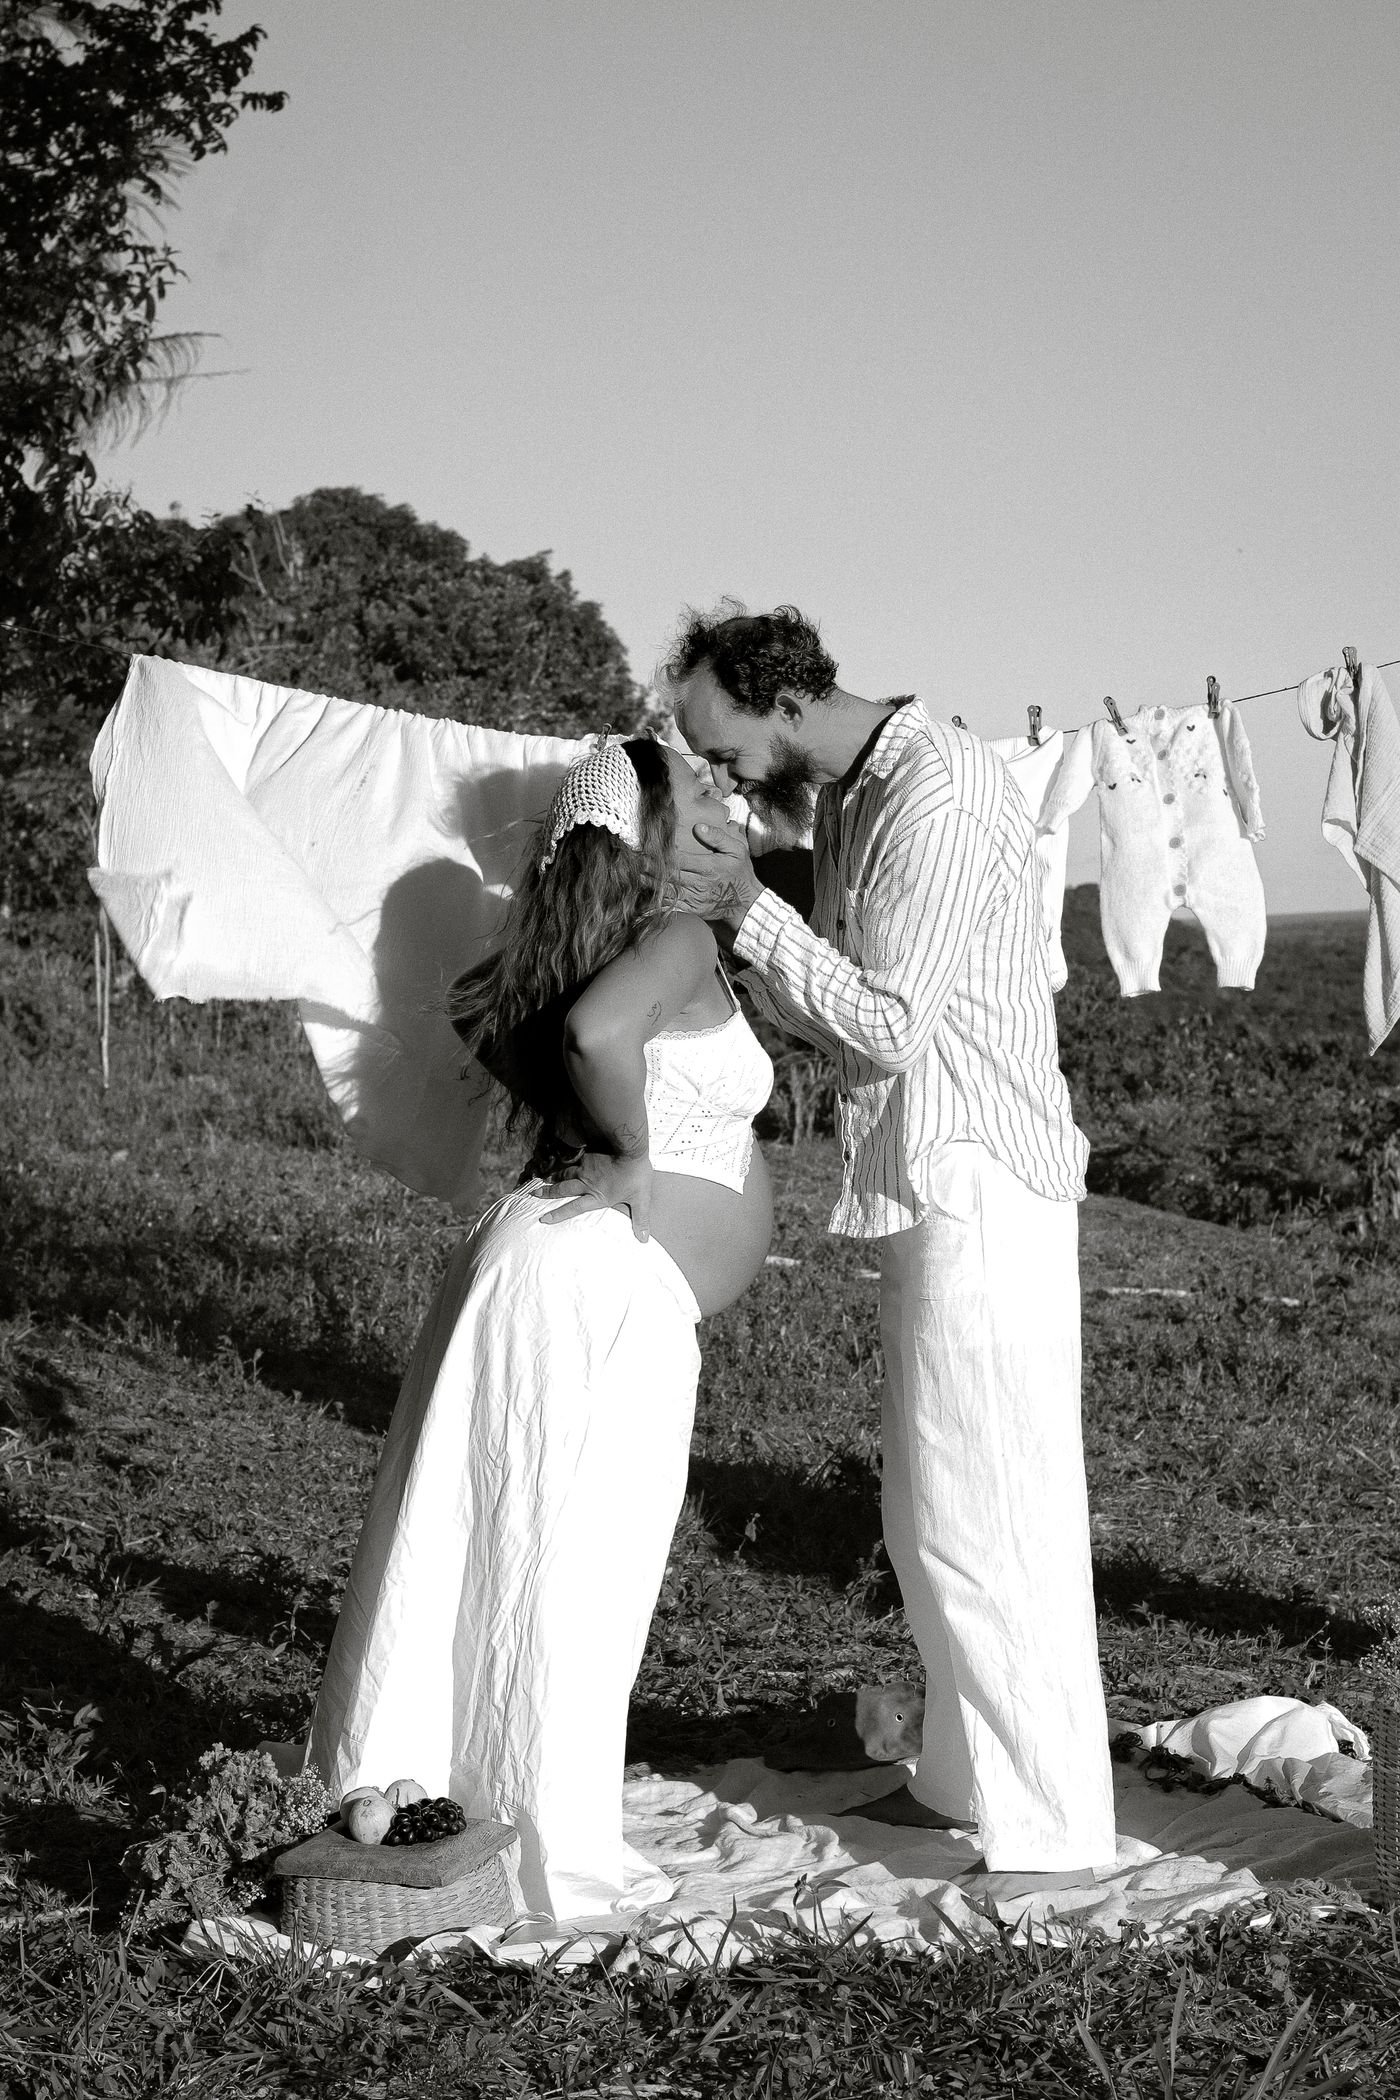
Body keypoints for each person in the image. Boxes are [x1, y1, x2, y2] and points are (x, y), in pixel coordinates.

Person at [662, 605, 1117, 1900]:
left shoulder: (941, 792)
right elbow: (847, 985)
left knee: (995, 1513)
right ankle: (966, 1783)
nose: (724, 774)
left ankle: (1055, 1831)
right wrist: (741, 910)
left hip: (986, 1177)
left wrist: (745, 907)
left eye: (723, 747)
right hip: (929, 1173)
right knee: (930, 1514)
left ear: (784, 700)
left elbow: (888, 1023)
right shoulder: (857, 795)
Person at [308, 733, 775, 1922]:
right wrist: (628, 1148)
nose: (721, 793)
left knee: (480, 1544)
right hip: (586, 1291)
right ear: (651, 834)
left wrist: (598, 1134)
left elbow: (526, 1028)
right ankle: (533, 1842)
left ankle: (443, 1804)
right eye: (698, 787)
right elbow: (595, 1038)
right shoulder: (674, 940)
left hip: (552, 1274)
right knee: (569, 1567)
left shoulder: (589, 941)